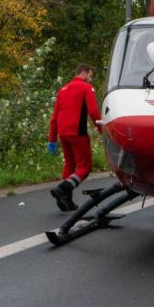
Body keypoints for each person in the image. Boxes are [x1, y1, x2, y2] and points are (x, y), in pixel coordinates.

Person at [47, 64, 102, 211]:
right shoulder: (86, 88)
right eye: (90, 76)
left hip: (63, 133)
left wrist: (52, 139)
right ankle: (62, 189)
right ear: (83, 74)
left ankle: (66, 201)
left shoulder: (62, 90)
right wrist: (103, 129)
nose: (90, 79)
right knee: (85, 167)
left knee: (70, 165)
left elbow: (54, 118)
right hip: (78, 133)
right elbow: (93, 111)